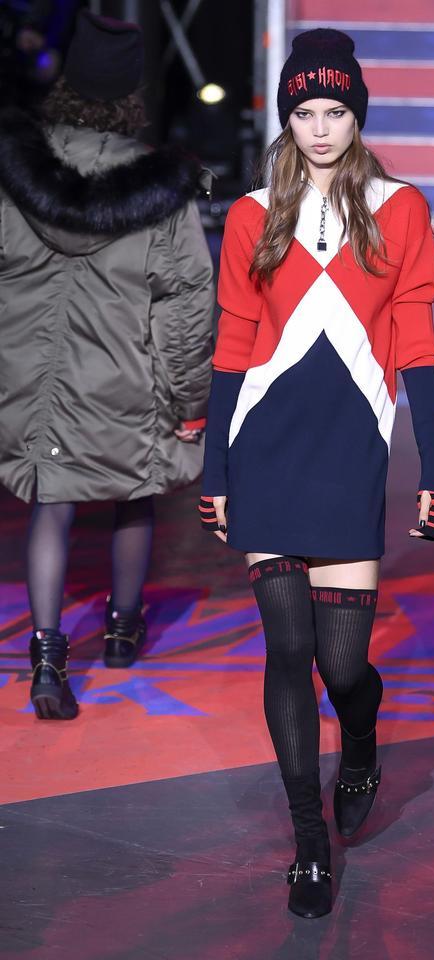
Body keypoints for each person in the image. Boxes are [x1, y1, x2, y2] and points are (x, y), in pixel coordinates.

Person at [199, 28, 434, 919]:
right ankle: (308, 845)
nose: (318, 127)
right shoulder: (250, 213)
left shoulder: (400, 208)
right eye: (303, 111)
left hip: (350, 453)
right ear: (286, 117)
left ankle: (364, 740)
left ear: (357, 114)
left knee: (343, 667)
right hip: (265, 450)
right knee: (288, 651)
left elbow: (416, 342)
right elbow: (233, 344)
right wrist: (214, 471)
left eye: (334, 110)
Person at [0, 11, 214, 720]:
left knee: (51, 503)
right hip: (123, 374)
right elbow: (186, 304)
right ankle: (122, 631)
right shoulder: (160, 191)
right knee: (135, 492)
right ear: (131, 95)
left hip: (33, 379)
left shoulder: (15, 172)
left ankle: (46, 657)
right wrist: (188, 402)